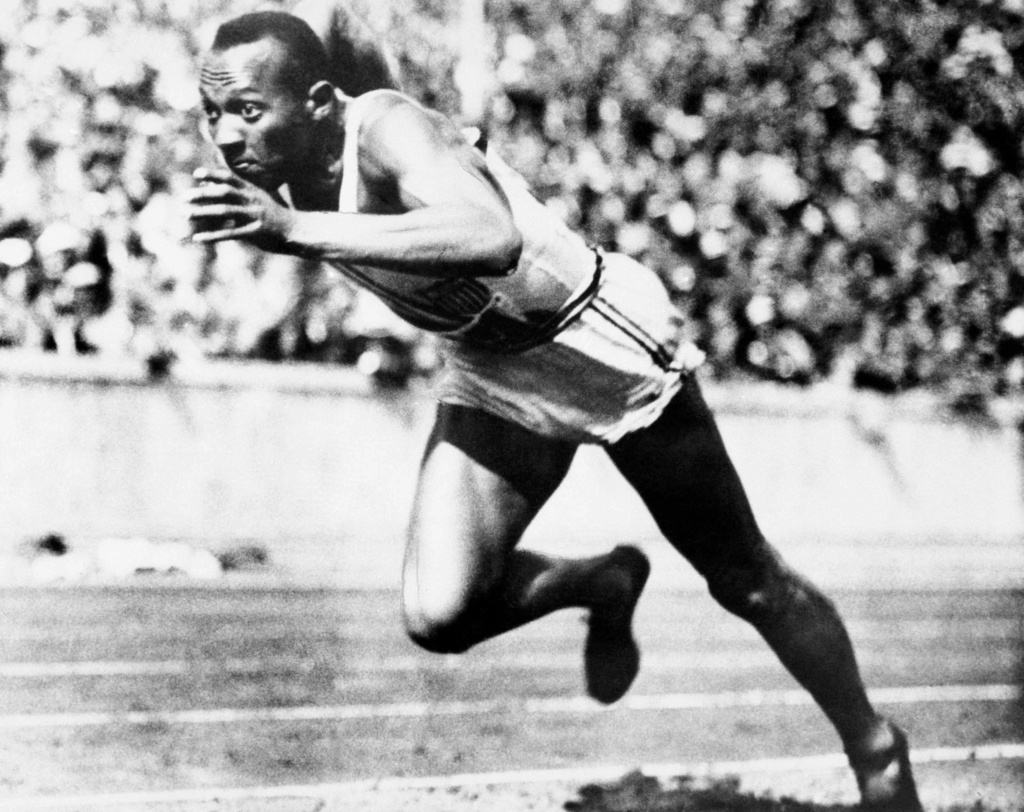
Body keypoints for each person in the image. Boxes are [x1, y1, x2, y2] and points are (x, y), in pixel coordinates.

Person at [185, 10, 923, 810]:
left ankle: (872, 742)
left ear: (321, 102)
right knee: (440, 613)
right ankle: (600, 583)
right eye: (213, 112)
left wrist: (297, 231)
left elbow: (491, 236)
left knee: (745, 580)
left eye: (249, 112)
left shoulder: (389, 132)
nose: (226, 136)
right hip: (493, 368)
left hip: (594, 342)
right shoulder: (288, 159)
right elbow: (340, 31)